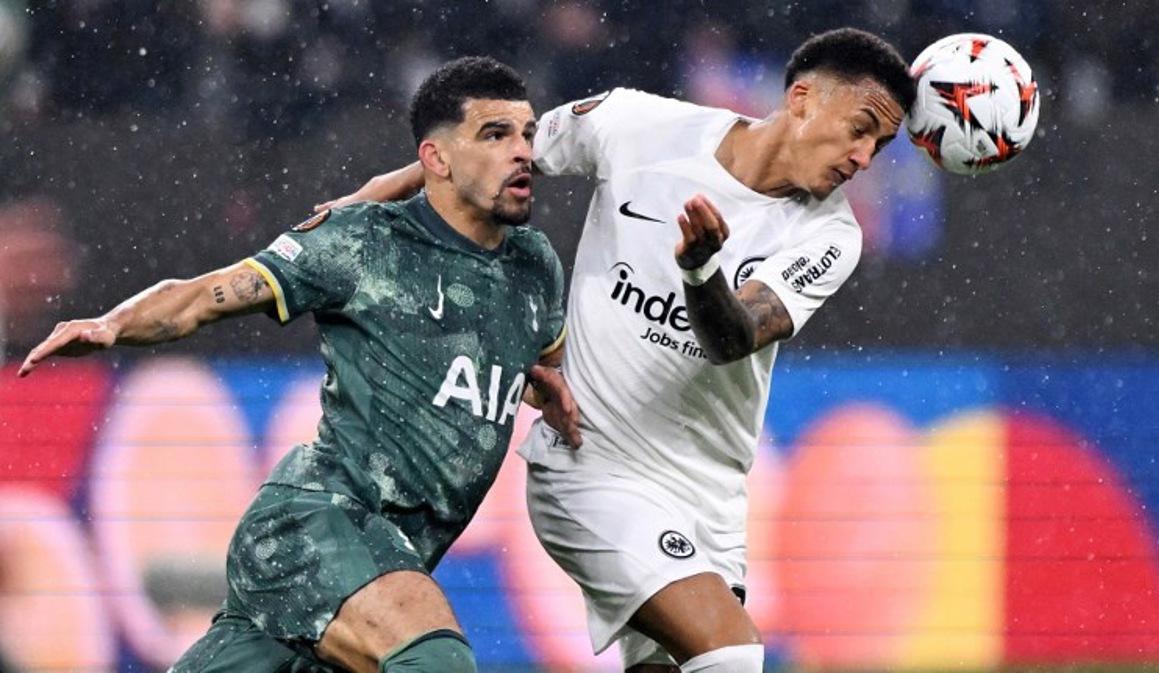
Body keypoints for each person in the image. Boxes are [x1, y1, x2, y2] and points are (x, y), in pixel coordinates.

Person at [319, 27, 915, 673]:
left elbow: (734, 337)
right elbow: (490, 157)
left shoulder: (831, 235)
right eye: (859, 129)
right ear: (801, 98)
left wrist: (697, 274)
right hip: (592, 466)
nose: (863, 158)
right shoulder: (637, 123)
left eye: (879, 146)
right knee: (731, 652)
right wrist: (370, 198)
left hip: (710, 496)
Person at [19, 56, 581, 673]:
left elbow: (540, 366)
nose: (523, 151)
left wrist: (547, 388)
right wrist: (113, 325)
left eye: (528, 133)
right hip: (315, 527)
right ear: (436, 158)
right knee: (437, 661)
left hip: (377, 569)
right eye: (495, 134)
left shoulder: (535, 267)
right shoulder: (364, 242)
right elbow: (203, 296)